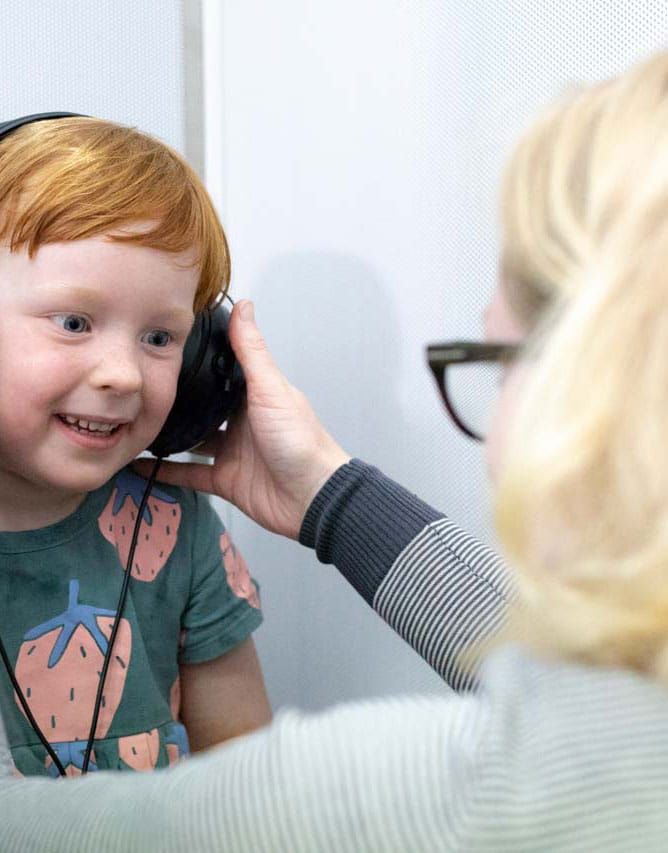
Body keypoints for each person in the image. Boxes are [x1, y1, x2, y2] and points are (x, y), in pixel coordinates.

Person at [1, 49, 668, 851]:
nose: (119, 373)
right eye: (73, 321)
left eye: (499, 365)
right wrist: (331, 493)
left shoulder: (507, 787)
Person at [0, 116, 271, 777]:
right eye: (73, 322)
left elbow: (248, 784)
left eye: (159, 338)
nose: (121, 372)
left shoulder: (179, 533)